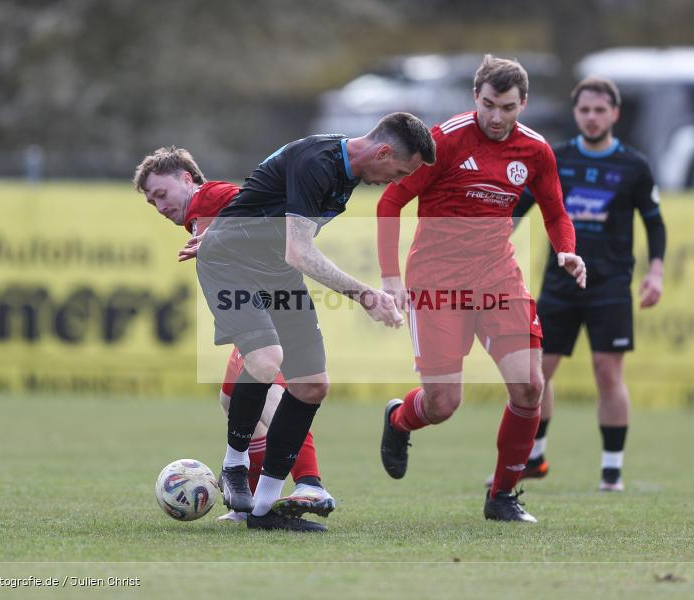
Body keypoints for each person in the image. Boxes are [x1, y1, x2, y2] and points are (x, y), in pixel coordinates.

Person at [196, 113, 436, 532]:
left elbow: (266, 208)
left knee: (312, 385)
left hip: (274, 272)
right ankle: (234, 464)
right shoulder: (318, 162)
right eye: (399, 171)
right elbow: (300, 253)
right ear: (382, 152)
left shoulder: (349, 173)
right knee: (267, 359)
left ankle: (265, 509)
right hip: (231, 263)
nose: (396, 181)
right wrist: (366, 295)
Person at [377, 55, 585, 523]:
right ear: (476, 97)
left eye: (507, 107)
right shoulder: (444, 141)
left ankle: (503, 496)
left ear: (523, 104)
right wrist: (390, 277)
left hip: (497, 277)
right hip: (437, 281)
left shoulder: (535, 150)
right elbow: (391, 201)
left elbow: (554, 211)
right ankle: (398, 419)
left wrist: (566, 248)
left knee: (530, 386)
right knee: (443, 404)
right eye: (488, 104)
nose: (496, 116)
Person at [132, 146, 336, 522]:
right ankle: (252, 506)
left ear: (187, 179)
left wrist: (217, 232)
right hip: (257, 313)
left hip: (270, 316)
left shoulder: (212, 196)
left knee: (275, 396)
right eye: (151, 202)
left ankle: (309, 483)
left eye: (161, 194)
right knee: (233, 402)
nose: (159, 206)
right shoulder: (196, 218)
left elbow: (249, 207)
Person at [510, 76, 666, 491]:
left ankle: (611, 471)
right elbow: (518, 208)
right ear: (575, 114)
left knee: (607, 372)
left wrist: (656, 271)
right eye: (585, 110)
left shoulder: (634, 165)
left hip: (610, 286)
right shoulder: (554, 159)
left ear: (614, 114)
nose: (592, 118)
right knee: (538, 373)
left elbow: (654, 222)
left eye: (600, 110)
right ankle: (535, 457)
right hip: (559, 285)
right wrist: (481, 243)